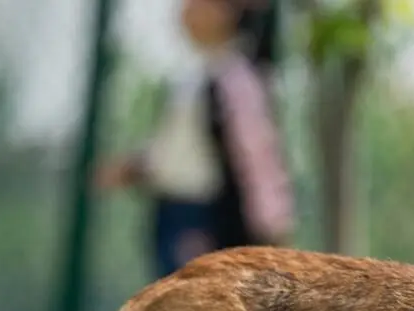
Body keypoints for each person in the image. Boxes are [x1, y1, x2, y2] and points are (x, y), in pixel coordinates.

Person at [95, 0, 293, 280]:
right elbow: (179, 153)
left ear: (226, 13)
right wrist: (135, 168)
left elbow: (257, 156)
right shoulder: (195, 76)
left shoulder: (236, 80)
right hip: (171, 210)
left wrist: (272, 223)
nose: (184, 8)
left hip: (204, 218)